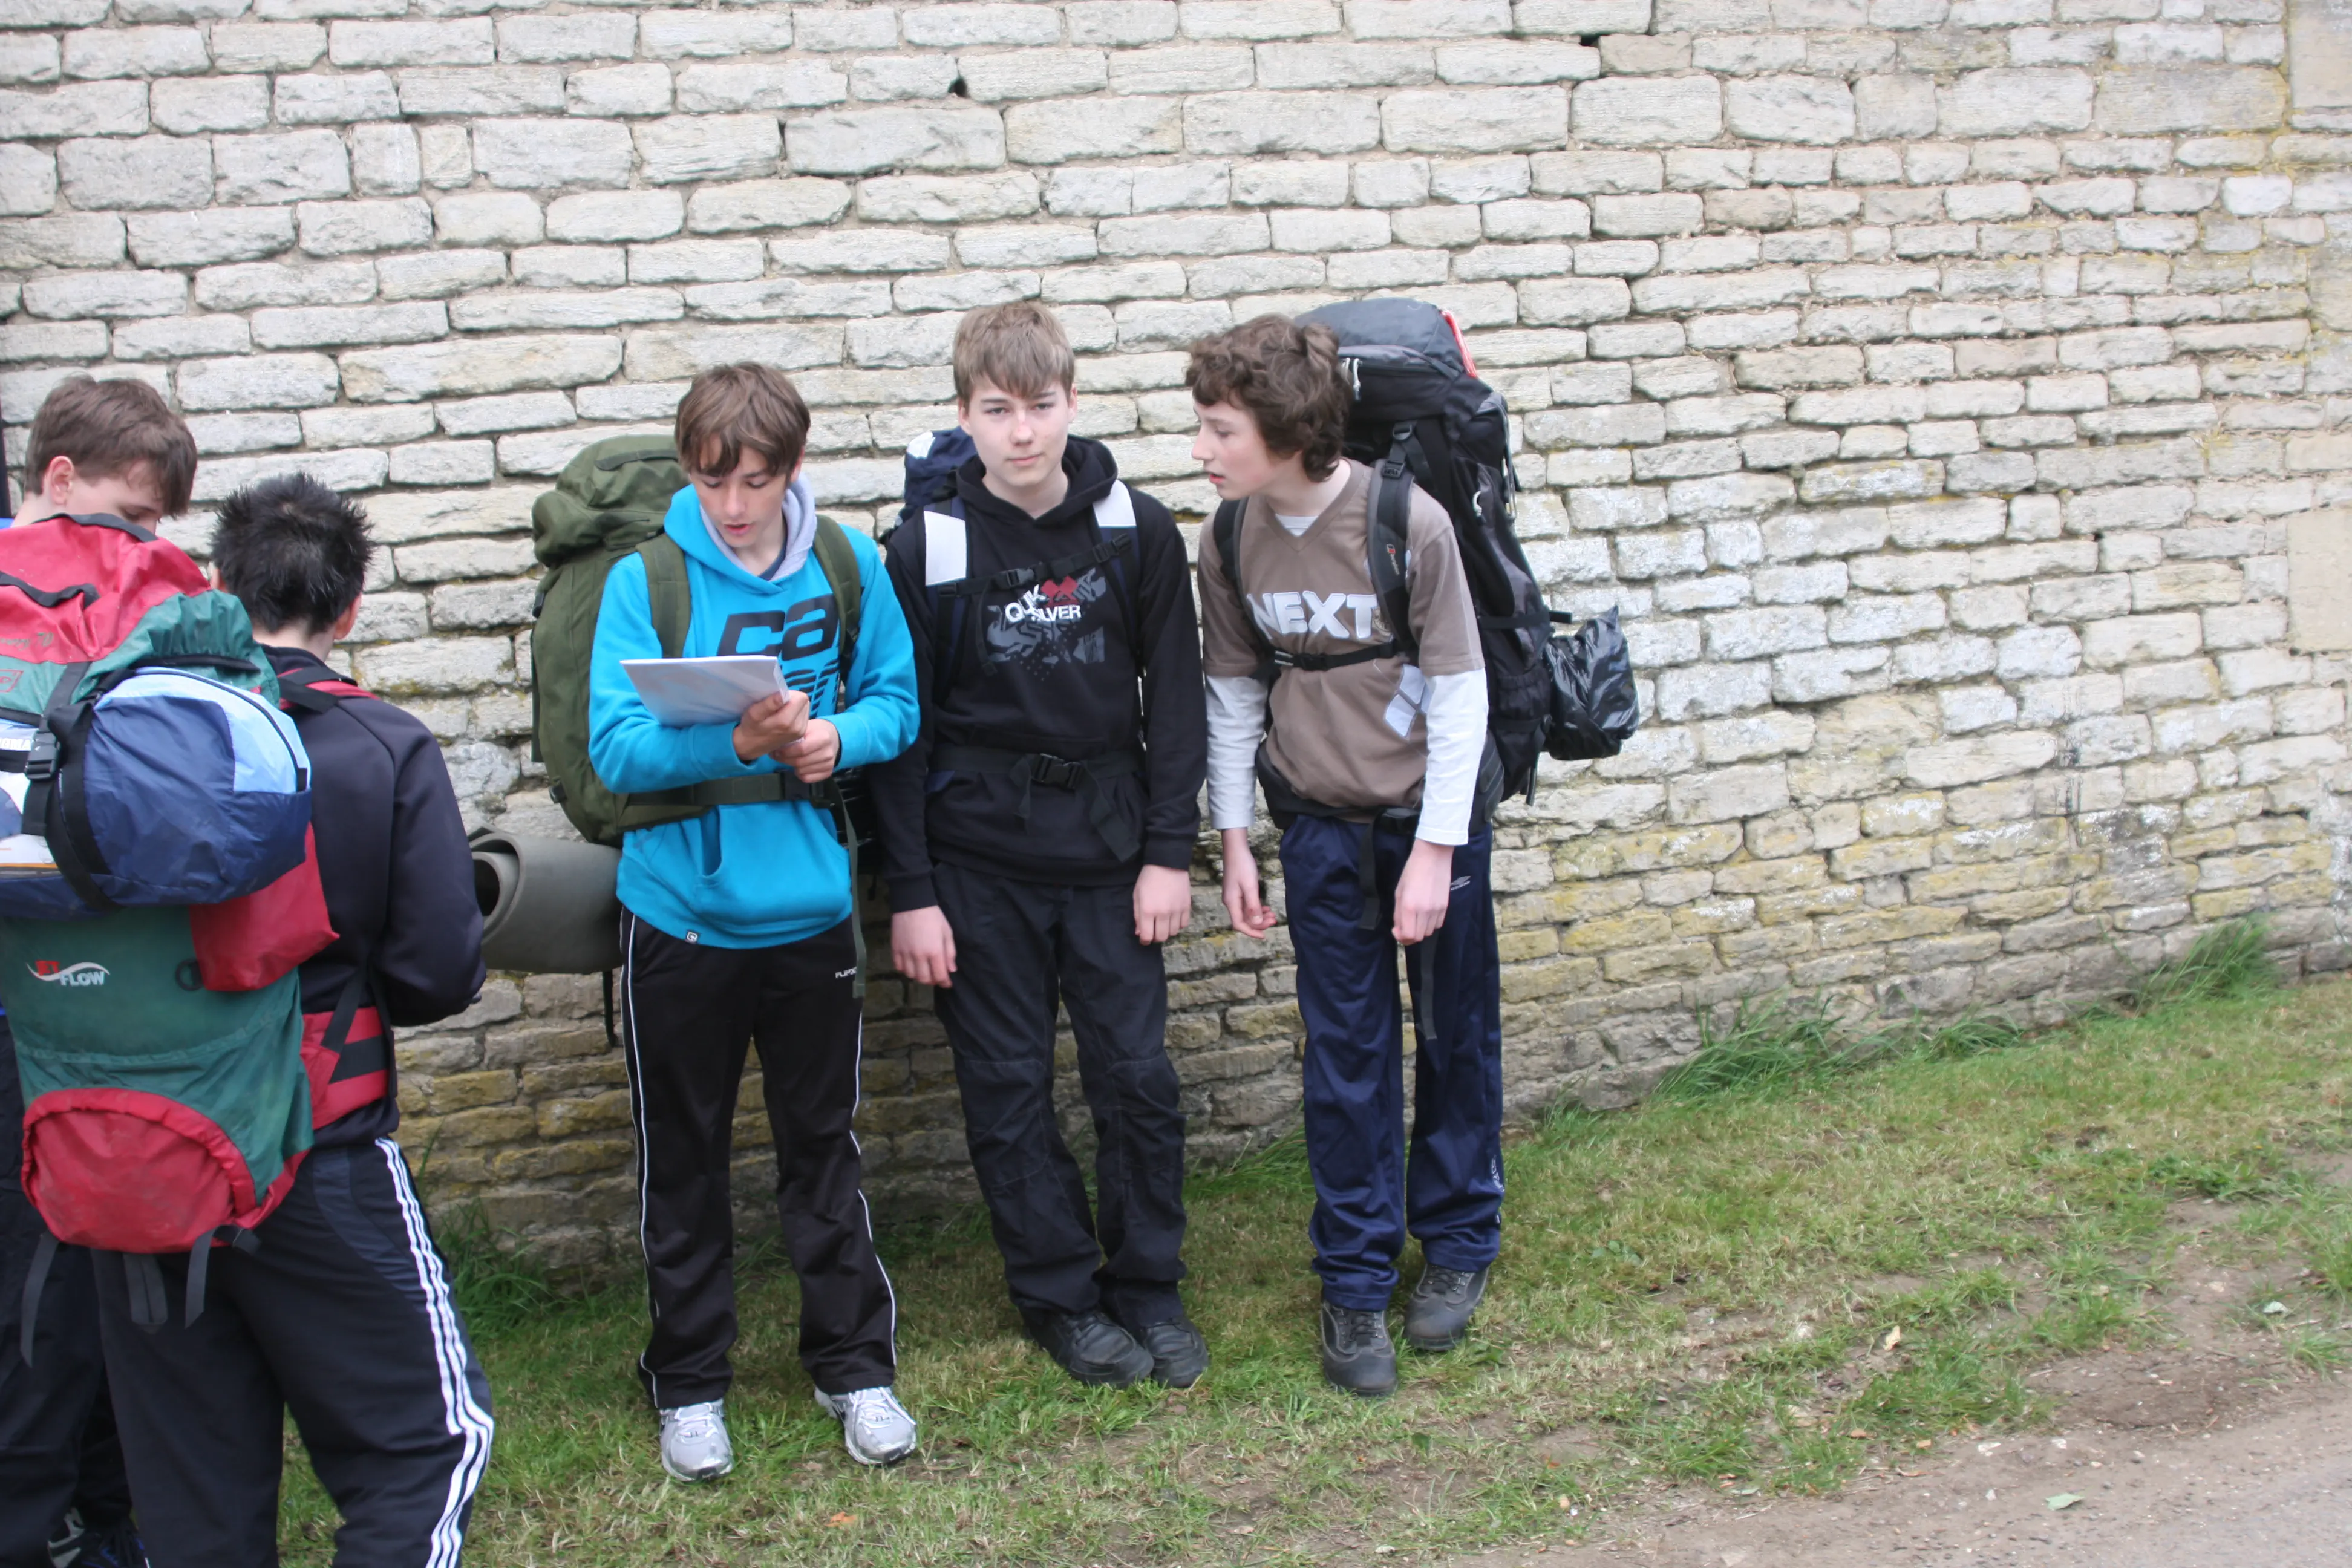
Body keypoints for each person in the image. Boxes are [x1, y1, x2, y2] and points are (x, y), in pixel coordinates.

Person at [87, 471, 493, 1565]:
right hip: (315, 1151)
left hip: (137, 1150)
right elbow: (436, 975)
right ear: (351, 608)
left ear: (216, 584)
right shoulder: (380, 745)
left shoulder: (118, 731)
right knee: (426, 1450)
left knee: (193, 1500)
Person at [588, 364, 921, 1479]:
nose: (734, 504)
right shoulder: (647, 579)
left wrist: (840, 742)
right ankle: (688, 1386)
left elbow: (899, 703)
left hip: (814, 914)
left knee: (822, 1152)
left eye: (758, 480)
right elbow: (617, 750)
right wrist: (728, 742)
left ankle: (854, 1368)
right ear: (689, 472)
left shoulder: (849, 563)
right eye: (713, 480)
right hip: (680, 919)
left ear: (793, 468)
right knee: (681, 1161)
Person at [872, 302, 1210, 1389]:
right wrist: (912, 892)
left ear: (1074, 400)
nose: (1022, 433)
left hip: (1113, 856)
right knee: (1008, 1089)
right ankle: (1060, 1295)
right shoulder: (925, 547)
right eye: (996, 410)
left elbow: (1181, 704)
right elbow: (898, 731)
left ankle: (1147, 1283)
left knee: (1137, 1078)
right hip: (978, 864)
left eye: (1042, 406)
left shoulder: (1135, 530)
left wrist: (1170, 853)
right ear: (964, 413)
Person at [1190, 316, 1505, 1399]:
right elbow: (1233, 695)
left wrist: (1434, 852)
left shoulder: (1406, 523)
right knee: (1346, 1056)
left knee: (1456, 1033)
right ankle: (1357, 1276)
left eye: (1219, 429)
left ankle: (1460, 1243)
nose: (1202, 448)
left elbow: (1461, 701)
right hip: (1316, 828)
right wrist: (1236, 836)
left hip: (1430, 822)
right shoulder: (1226, 536)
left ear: (1282, 430)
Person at [0, 376, 195, 1568]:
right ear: (57, 478)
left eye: (158, 530)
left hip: (101, 990)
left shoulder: (127, 599)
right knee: (40, 1292)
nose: (142, 550)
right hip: (41, 1000)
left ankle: (109, 1518)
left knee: (111, 1280)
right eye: (129, 517)